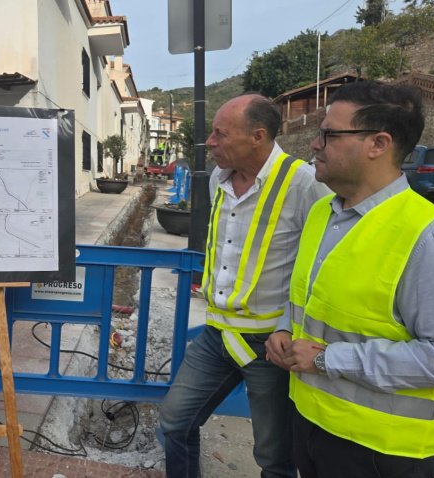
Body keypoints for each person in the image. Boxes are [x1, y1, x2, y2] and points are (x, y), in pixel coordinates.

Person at [267, 82, 434, 478]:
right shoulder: (322, 213)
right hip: (313, 422)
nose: (315, 144)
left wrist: (327, 359)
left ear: (378, 144)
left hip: (385, 451)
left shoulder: (430, 239)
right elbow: (310, 298)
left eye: (329, 134)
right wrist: (285, 328)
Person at [159, 93, 330, 478]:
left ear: (258, 136)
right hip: (216, 333)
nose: (210, 142)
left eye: (221, 134)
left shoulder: (303, 183)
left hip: (270, 342)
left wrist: (289, 326)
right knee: (174, 421)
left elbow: (320, 264)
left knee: (274, 455)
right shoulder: (217, 179)